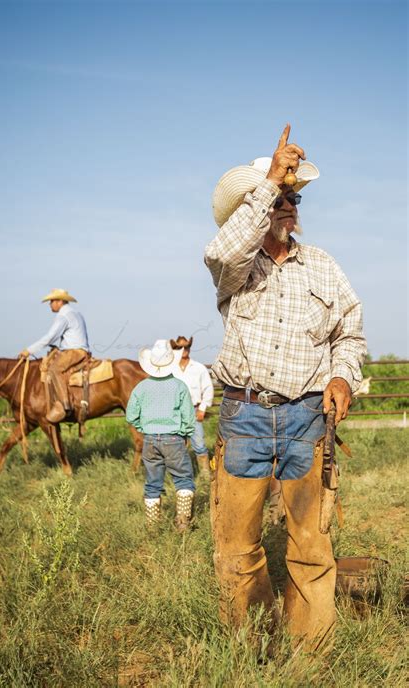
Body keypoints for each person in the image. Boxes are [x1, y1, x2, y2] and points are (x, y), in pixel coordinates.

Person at [204, 124, 367, 651]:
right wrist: (269, 182)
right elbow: (219, 254)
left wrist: (342, 373)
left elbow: (350, 331)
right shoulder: (237, 267)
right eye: (279, 198)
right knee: (237, 547)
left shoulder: (323, 264)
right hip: (245, 416)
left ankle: (310, 654)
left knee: (311, 543)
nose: (287, 205)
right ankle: (253, 648)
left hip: (305, 419)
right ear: (256, 205)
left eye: (292, 198)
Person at [126, 339, 196, 532]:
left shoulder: (141, 387)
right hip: (174, 438)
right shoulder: (179, 386)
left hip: (150, 439)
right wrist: (186, 434)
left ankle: (152, 527)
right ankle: (182, 522)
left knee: (153, 483)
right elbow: (189, 417)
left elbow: (131, 415)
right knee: (183, 479)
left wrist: (144, 427)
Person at [19, 288, 90, 423]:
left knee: (54, 370)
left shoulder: (63, 316)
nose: (50, 304)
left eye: (52, 301)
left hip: (73, 352)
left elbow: (50, 338)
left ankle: (64, 405)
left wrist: (29, 350)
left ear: (60, 301)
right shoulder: (76, 313)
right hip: (79, 350)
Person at [170, 335, 214, 476]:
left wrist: (202, 408)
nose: (184, 350)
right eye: (179, 347)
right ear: (174, 349)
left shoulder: (199, 368)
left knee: (199, 444)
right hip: (175, 411)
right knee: (177, 444)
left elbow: (208, 388)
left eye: (186, 346)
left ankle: (205, 474)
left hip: (193, 409)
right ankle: (182, 474)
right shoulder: (170, 369)